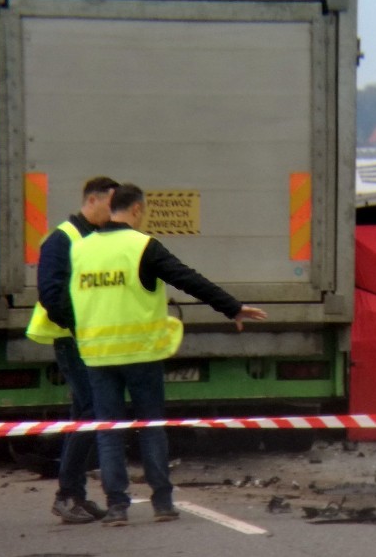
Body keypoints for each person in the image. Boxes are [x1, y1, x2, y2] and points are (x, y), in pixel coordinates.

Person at [68, 183, 267, 526]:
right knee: (152, 428)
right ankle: (162, 502)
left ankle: (117, 507)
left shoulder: (81, 250)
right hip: (141, 354)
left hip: (98, 356)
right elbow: (187, 279)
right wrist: (232, 307)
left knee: (109, 432)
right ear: (137, 210)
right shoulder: (142, 246)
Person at [26, 176, 120, 524]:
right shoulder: (62, 238)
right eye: (111, 204)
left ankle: (74, 494)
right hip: (72, 341)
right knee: (90, 412)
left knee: (85, 413)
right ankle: (67, 495)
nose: (114, 213)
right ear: (92, 200)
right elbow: (51, 295)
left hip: (93, 342)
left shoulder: (98, 238)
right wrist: (82, 326)